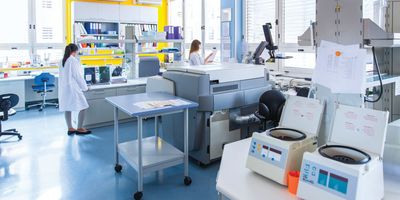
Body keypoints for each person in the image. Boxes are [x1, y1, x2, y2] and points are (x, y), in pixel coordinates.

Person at [59, 43, 91, 135]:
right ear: (75, 51)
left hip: (64, 89)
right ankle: (80, 128)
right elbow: (78, 76)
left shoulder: (62, 60)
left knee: (67, 108)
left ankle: (70, 128)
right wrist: (85, 88)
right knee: (84, 106)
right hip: (73, 88)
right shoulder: (73, 60)